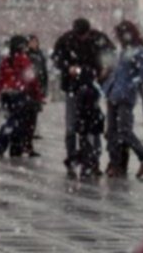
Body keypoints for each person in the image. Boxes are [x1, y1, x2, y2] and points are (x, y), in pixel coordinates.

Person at [51, 18, 105, 178]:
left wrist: (101, 72)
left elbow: (109, 56)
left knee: (90, 126)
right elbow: (56, 58)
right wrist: (68, 68)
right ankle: (73, 158)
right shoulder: (66, 40)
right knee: (72, 127)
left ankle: (91, 160)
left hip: (90, 88)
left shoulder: (96, 39)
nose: (82, 38)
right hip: (73, 88)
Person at [103, 20, 143, 179]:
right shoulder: (122, 51)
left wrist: (129, 86)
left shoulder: (139, 51)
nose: (119, 38)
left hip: (125, 96)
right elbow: (117, 72)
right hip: (112, 93)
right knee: (111, 131)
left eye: (120, 35)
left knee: (124, 131)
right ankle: (115, 164)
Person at [0, 35, 43, 157]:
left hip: (7, 93)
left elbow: (1, 78)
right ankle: (9, 144)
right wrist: (38, 96)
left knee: (12, 119)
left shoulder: (6, 60)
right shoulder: (23, 60)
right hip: (20, 94)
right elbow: (31, 80)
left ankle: (8, 143)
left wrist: (1, 91)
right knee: (20, 122)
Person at [26, 36, 48, 139]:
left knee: (37, 109)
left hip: (38, 83)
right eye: (32, 42)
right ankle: (30, 130)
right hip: (29, 85)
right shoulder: (27, 54)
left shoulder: (40, 55)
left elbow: (44, 70)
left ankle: (34, 130)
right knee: (30, 109)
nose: (34, 44)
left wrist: (44, 85)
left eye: (35, 42)